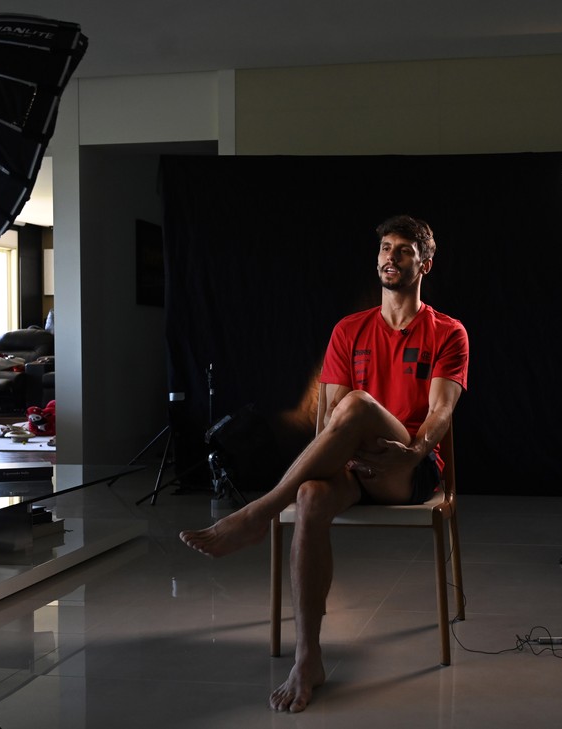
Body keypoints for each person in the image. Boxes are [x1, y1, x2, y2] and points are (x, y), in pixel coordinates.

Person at [180, 214, 469, 713]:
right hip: (353, 467)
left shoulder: (448, 332)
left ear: (426, 262)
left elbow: (441, 411)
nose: (389, 257)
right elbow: (326, 426)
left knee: (356, 404)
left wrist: (416, 451)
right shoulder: (348, 331)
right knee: (312, 495)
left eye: (403, 250)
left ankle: (259, 513)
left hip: (408, 466)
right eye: (384, 247)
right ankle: (307, 656)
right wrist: (330, 463)